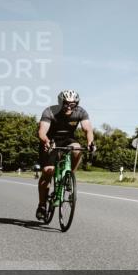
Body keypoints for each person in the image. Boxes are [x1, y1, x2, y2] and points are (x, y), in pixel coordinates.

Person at [36, 90, 95, 221]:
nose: (69, 107)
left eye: (72, 104)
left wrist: (91, 142)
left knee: (77, 148)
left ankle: (69, 175)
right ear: (60, 102)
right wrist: (45, 141)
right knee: (48, 171)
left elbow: (87, 129)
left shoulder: (80, 112)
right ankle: (42, 205)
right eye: (66, 104)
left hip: (68, 139)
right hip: (50, 140)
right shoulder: (50, 111)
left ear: (77, 104)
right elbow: (42, 131)